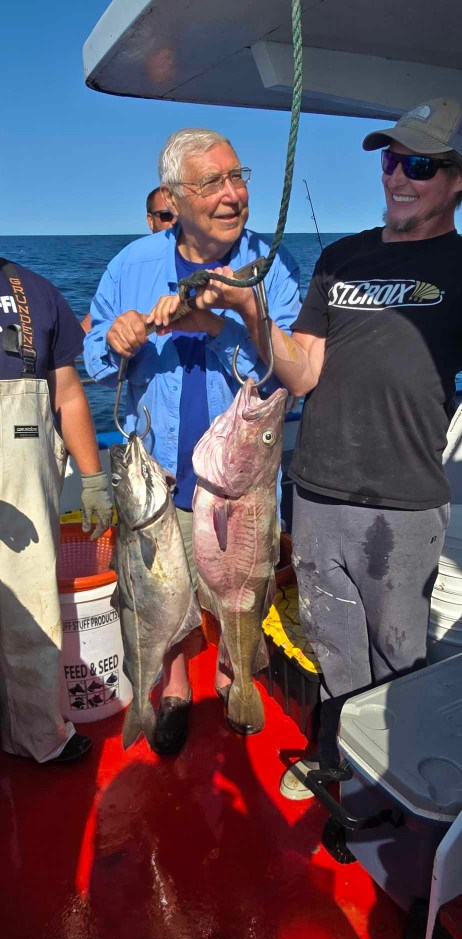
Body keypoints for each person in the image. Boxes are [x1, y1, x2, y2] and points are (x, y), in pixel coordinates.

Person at [265, 96, 462, 799]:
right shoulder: (340, 256)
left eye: (421, 165)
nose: (397, 177)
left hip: (402, 507)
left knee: (399, 655)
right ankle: (338, 762)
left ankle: (393, 792)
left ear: (458, 179)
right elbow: (305, 370)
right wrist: (256, 317)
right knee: (335, 645)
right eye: (390, 160)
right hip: (315, 491)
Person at [84, 126, 301, 755]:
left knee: (242, 578)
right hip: (162, 472)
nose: (234, 195)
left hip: (242, 474)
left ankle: (236, 669)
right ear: (174, 199)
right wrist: (116, 340)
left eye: (239, 178)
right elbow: (95, 360)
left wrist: (216, 325)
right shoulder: (132, 264)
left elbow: (290, 375)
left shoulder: (272, 265)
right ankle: (175, 687)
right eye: (214, 183)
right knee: (164, 589)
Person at [0, 258, 113, 763]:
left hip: (23, 474)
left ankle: (37, 735)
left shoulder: (37, 291)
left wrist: (92, 479)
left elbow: (67, 393)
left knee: (31, 615)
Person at [80, 188, 177, 335]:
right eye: (166, 215)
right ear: (150, 221)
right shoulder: (125, 263)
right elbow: (94, 328)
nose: (175, 221)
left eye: (183, 214)